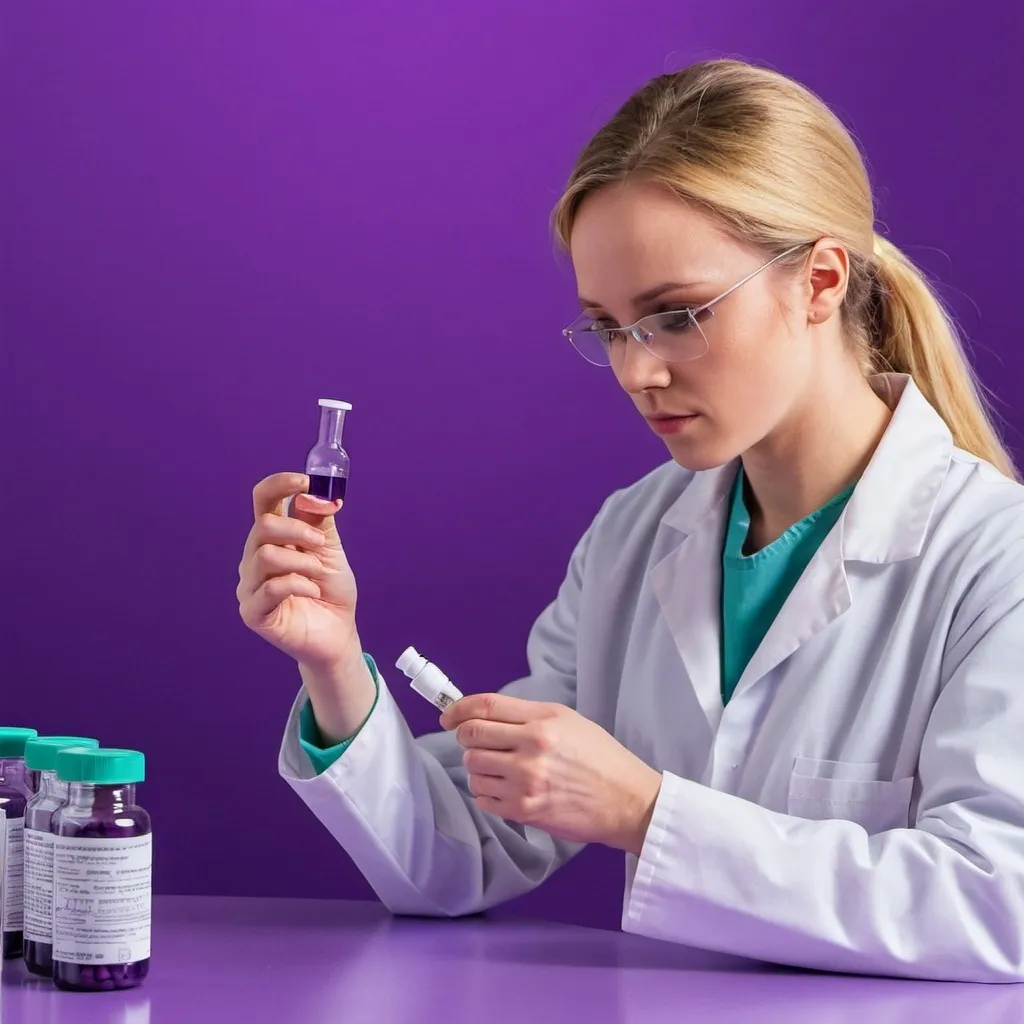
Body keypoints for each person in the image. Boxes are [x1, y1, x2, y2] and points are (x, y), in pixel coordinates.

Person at [235, 59, 1024, 982]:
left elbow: (999, 902)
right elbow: (461, 858)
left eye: (677, 315)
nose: (636, 371)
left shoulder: (992, 559)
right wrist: (334, 663)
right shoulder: (635, 536)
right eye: (607, 327)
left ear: (818, 280)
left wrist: (647, 814)